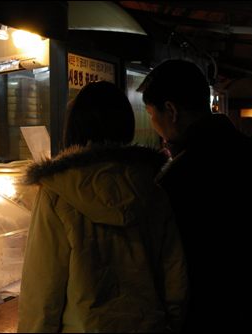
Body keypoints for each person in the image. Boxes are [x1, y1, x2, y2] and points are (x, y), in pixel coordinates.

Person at [17, 81, 188, 333]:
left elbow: (42, 291)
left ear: (73, 128)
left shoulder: (57, 192)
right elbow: (175, 279)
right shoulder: (153, 190)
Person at [138, 59, 252, 332]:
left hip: (206, 317)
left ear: (171, 111)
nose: (154, 125)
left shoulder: (177, 179)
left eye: (152, 114)